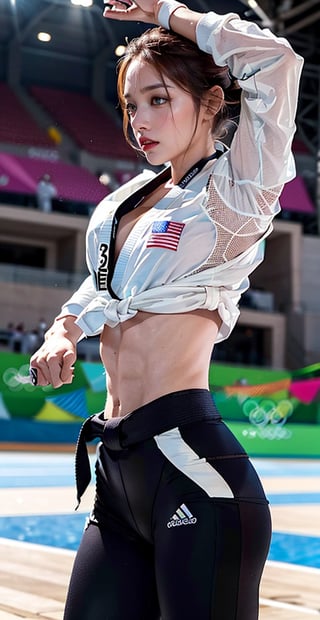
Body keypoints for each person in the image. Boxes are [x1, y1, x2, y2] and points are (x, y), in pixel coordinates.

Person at [29, 1, 303, 618]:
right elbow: (96, 293)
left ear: (210, 103)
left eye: (159, 99)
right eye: (131, 104)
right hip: (118, 472)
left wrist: (167, 13)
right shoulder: (121, 205)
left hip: (193, 468)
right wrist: (62, 331)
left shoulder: (235, 193)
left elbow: (277, 62)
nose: (139, 120)